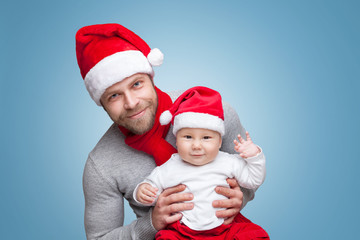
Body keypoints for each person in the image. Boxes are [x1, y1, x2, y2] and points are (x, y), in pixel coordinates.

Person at [76, 23, 257, 239]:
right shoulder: (101, 166)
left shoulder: (214, 115)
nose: (132, 103)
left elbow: (250, 172)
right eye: (114, 96)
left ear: (151, 78)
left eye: (136, 84)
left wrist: (241, 196)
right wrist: (151, 224)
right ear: (102, 104)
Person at [134, 86, 269, 239]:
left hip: (225, 228)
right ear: (176, 141)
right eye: (188, 137)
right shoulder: (170, 166)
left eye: (206, 138)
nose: (196, 145)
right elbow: (152, 190)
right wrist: (143, 192)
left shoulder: (228, 162)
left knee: (255, 235)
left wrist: (254, 156)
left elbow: (253, 180)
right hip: (183, 231)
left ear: (219, 142)